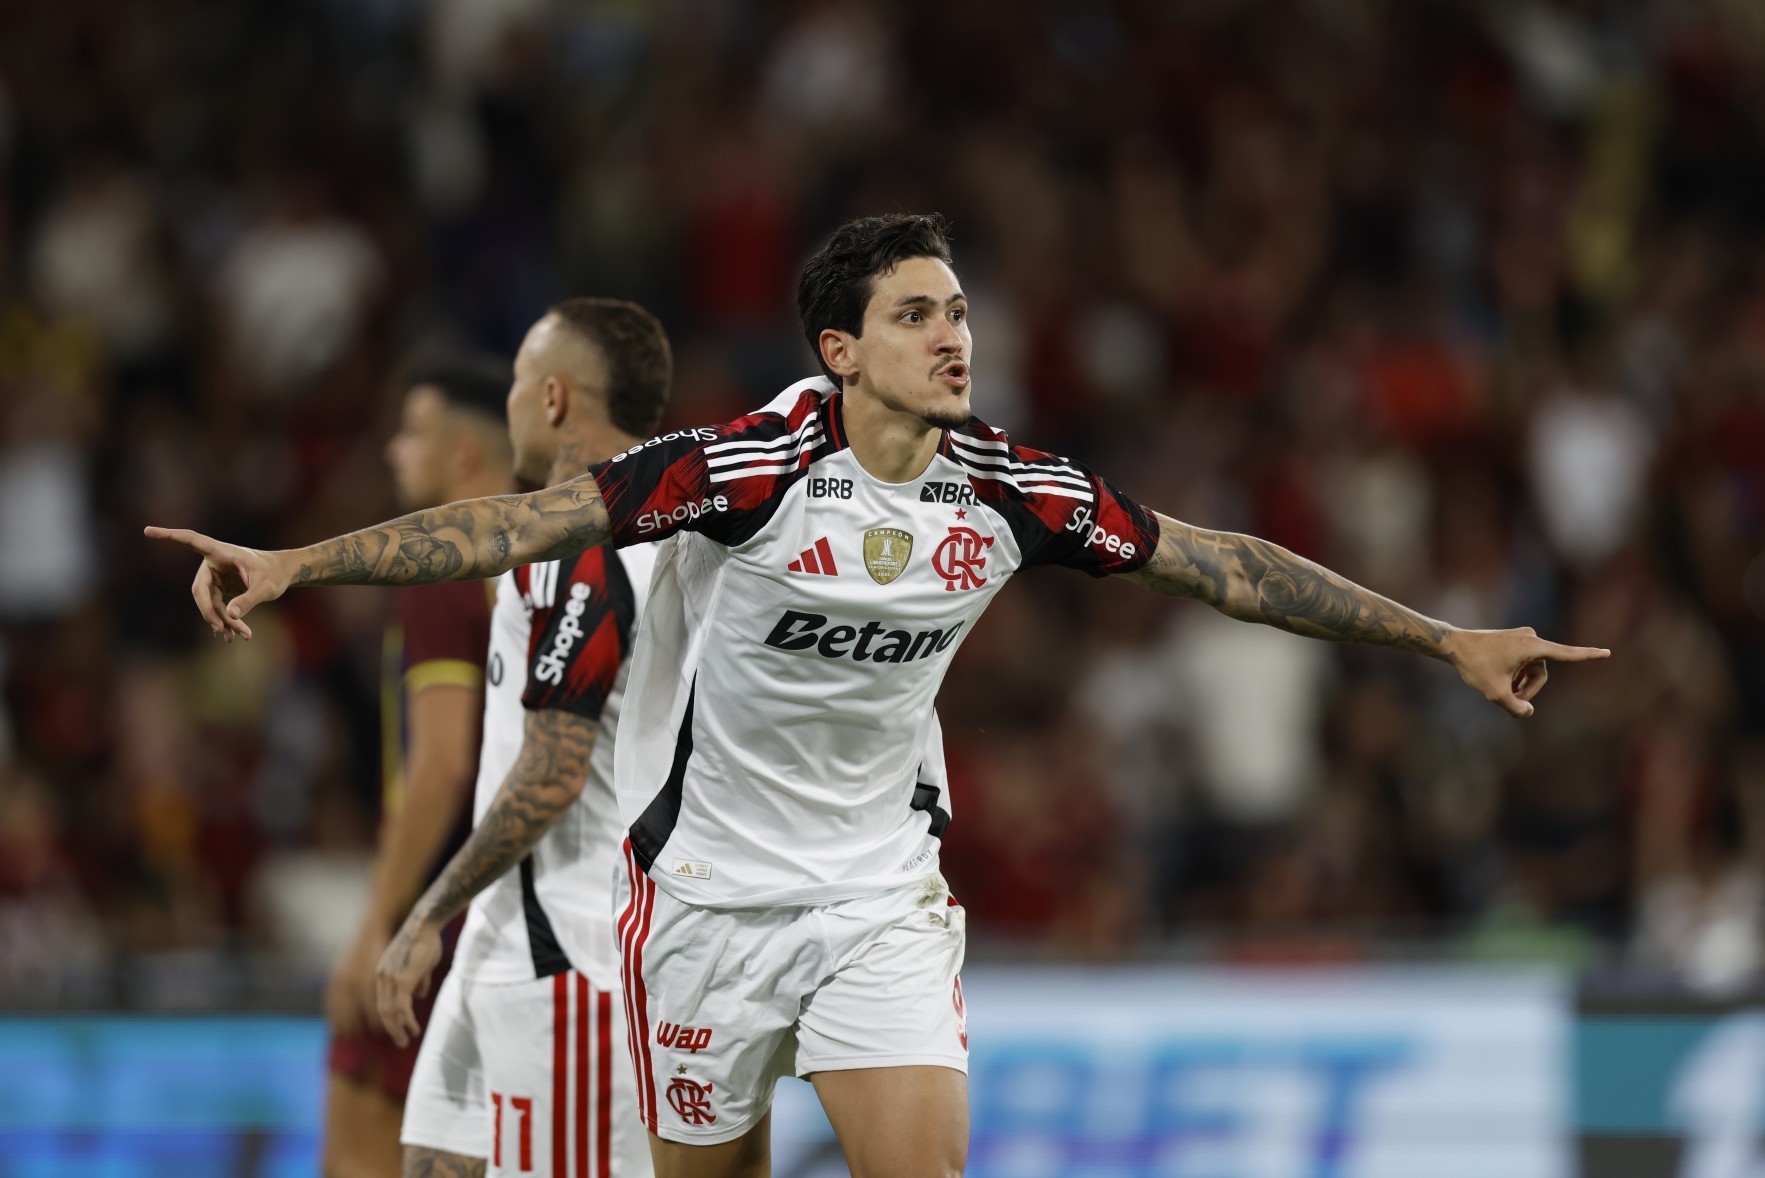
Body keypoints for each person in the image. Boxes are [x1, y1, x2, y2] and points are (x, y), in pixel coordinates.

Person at [151, 213, 1610, 1178]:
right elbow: (517, 523)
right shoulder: (744, 471)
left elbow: (1219, 564)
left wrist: (1446, 639)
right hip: (703, 905)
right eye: (916, 314)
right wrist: (295, 563)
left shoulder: (1010, 487)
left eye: (958, 310)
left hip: (876, 899)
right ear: (839, 351)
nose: (954, 335)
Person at [389, 298, 671, 1178]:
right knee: (430, 1161)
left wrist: (426, 911)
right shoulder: (632, 531)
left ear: (552, 399)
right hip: (507, 931)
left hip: (571, 948)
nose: (509, 402)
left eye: (517, 381)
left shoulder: (590, 545)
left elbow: (552, 773)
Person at [324, 355, 514, 1178]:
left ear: (462, 454)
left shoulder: (444, 562)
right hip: (525, 908)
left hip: (438, 913)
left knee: (361, 1154)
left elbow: (440, 765)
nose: (395, 451)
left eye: (412, 433)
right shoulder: (561, 559)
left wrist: (380, 920)